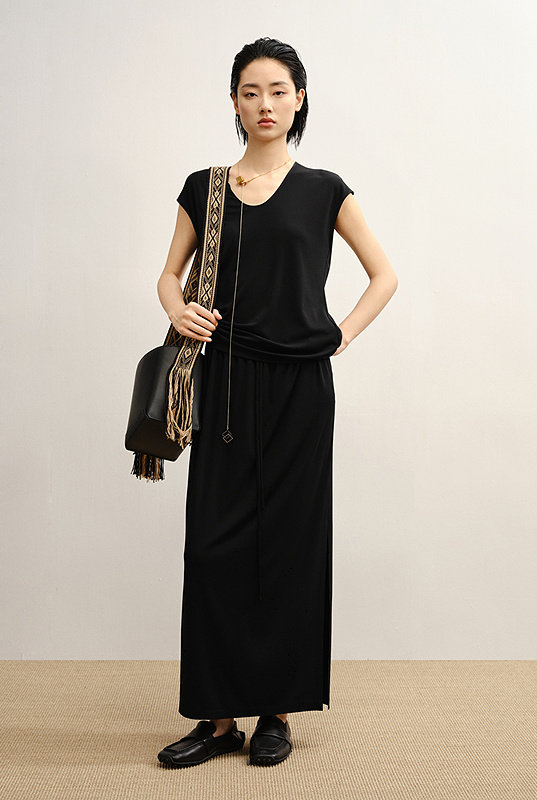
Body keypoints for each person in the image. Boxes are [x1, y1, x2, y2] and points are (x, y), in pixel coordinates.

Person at [155, 37, 398, 769]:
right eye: (250, 91)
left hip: (299, 389)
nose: (265, 104)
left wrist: (338, 336)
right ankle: (215, 718)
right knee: (215, 547)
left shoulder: (325, 189)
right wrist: (179, 309)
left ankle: (276, 713)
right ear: (234, 102)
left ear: (300, 100)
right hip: (224, 383)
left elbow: (384, 275)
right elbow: (169, 276)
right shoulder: (204, 187)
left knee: (289, 547)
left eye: (278, 90)